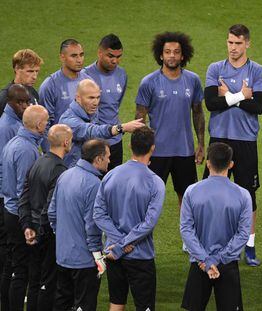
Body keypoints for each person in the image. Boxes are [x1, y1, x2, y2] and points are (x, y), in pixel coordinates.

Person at [204, 24, 262, 266]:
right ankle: (205, 242)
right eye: (230, 42)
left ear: (247, 44)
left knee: (248, 195)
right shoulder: (215, 68)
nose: (233, 48)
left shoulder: (258, 71)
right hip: (218, 140)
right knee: (209, 192)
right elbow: (211, 103)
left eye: (238, 43)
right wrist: (242, 95)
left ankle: (249, 246)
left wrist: (228, 97)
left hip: (245, 141)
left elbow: (259, 106)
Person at [93, 126, 165, 311]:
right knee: (145, 307)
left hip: (113, 254)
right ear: (152, 148)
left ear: (131, 146)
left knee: (116, 303)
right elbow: (148, 223)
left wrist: (117, 244)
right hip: (139, 255)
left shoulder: (110, 175)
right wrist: (124, 244)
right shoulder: (155, 182)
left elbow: (98, 214)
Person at [135, 31, 205, 214]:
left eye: (176, 52)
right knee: (148, 198)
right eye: (167, 52)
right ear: (160, 54)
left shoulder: (193, 80)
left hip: (185, 150)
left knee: (188, 198)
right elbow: (139, 119)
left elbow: (198, 113)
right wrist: (140, 150)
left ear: (183, 55)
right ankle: (141, 235)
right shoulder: (149, 83)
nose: (172, 55)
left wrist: (201, 145)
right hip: (157, 151)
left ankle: (187, 241)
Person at [180, 142, 251, 310]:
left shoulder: (191, 191)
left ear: (208, 163)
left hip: (199, 263)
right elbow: (243, 234)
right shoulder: (243, 195)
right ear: (231, 164)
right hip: (227, 264)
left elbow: (186, 230)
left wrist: (206, 260)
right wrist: (218, 259)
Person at [48, 139, 110, 311]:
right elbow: (93, 224)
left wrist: (62, 236)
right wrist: (97, 254)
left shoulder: (65, 175)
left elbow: (52, 212)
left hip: (62, 256)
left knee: (62, 303)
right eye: (107, 157)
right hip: (84, 261)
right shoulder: (94, 184)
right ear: (98, 159)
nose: (109, 161)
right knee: (84, 305)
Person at [18, 124, 72, 311]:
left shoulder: (38, 161)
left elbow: (24, 196)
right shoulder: (59, 169)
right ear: (66, 142)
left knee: (34, 283)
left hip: (32, 231)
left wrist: (27, 227)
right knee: (48, 284)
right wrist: (40, 234)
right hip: (46, 235)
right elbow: (50, 210)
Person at [1, 105, 48, 311]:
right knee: (21, 271)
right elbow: (24, 191)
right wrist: (28, 223)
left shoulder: (14, 143)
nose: (47, 126)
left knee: (13, 267)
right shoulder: (27, 150)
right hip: (19, 216)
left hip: (9, 210)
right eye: (46, 122)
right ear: (39, 125)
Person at [59, 79, 143, 167]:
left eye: (98, 97)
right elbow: (91, 132)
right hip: (72, 172)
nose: (95, 102)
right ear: (78, 98)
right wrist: (121, 128)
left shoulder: (91, 112)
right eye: (91, 98)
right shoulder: (68, 121)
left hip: (88, 168)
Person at [0, 84, 31, 310]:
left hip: (9, 202)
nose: (25, 106)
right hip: (10, 204)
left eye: (27, 102)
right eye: (22, 103)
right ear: (12, 102)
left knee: (13, 262)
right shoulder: (7, 127)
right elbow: (4, 167)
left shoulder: (13, 124)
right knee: (13, 263)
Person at [84, 33, 127, 170]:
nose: (115, 61)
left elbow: (115, 104)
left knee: (113, 185)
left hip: (115, 141)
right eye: (110, 56)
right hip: (94, 142)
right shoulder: (85, 76)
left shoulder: (122, 74)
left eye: (118, 57)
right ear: (99, 53)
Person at [39, 39, 90, 129]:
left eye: (81, 55)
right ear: (62, 57)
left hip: (84, 140)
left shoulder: (88, 81)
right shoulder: (50, 85)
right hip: (60, 141)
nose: (79, 60)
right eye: (74, 56)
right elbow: (44, 124)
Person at [0, 49, 43, 115]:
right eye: (30, 71)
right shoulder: (5, 97)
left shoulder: (32, 92)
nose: (34, 77)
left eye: (36, 71)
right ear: (17, 69)